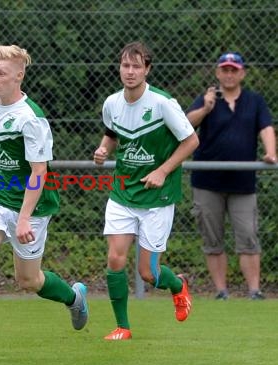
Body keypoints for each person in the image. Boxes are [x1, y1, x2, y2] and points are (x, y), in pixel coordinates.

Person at [0, 45, 88, 362]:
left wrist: (23, 219)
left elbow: (39, 171)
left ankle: (74, 298)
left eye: (1, 73)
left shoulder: (31, 119)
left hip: (29, 207)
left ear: (19, 76)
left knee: (28, 281)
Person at [93, 41, 198, 340]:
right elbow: (111, 133)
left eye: (137, 66)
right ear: (120, 68)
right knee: (115, 259)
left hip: (157, 198)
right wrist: (103, 149)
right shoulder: (112, 103)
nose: (130, 71)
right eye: (126, 65)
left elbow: (191, 141)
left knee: (148, 274)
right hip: (123, 192)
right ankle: (122, 327)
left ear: (147, 70)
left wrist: (163, 171)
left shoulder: (163, 103)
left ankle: (177, 286)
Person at [186, 52, 276, 300]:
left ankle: (254, 291)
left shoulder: (254, 101)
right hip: (207, 182)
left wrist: (270, 153)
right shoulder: (207, 99)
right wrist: (205, 108)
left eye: (234, 70)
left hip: (243, 183)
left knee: (248, 236)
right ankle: (221, 292)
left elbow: (266, 127)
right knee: (212, 239)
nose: (229, 74)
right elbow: (185, 124)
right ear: (217, 73)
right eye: (224, 69)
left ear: (242, 73)